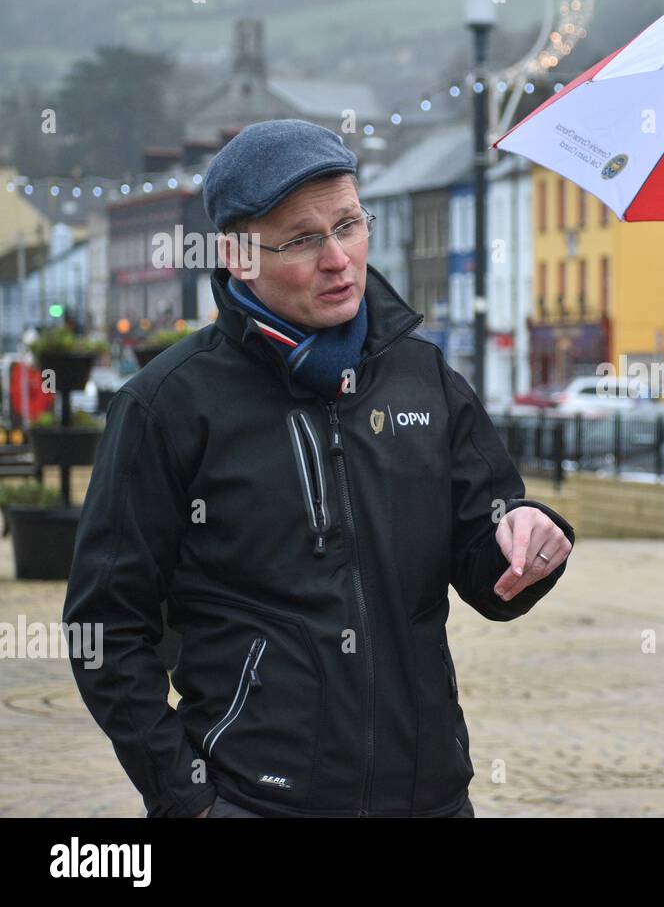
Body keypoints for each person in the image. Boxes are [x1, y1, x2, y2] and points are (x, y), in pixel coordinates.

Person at [63, 119, 575, 818]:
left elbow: (492, 576)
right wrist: (186, 797)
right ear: (239, 254)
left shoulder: (424, 379)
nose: (340, 259)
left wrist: (532, 539)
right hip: (254, 801)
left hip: (427, 798)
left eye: (349, 225)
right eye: (304, 239)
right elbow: (105, 627)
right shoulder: (167, 405)